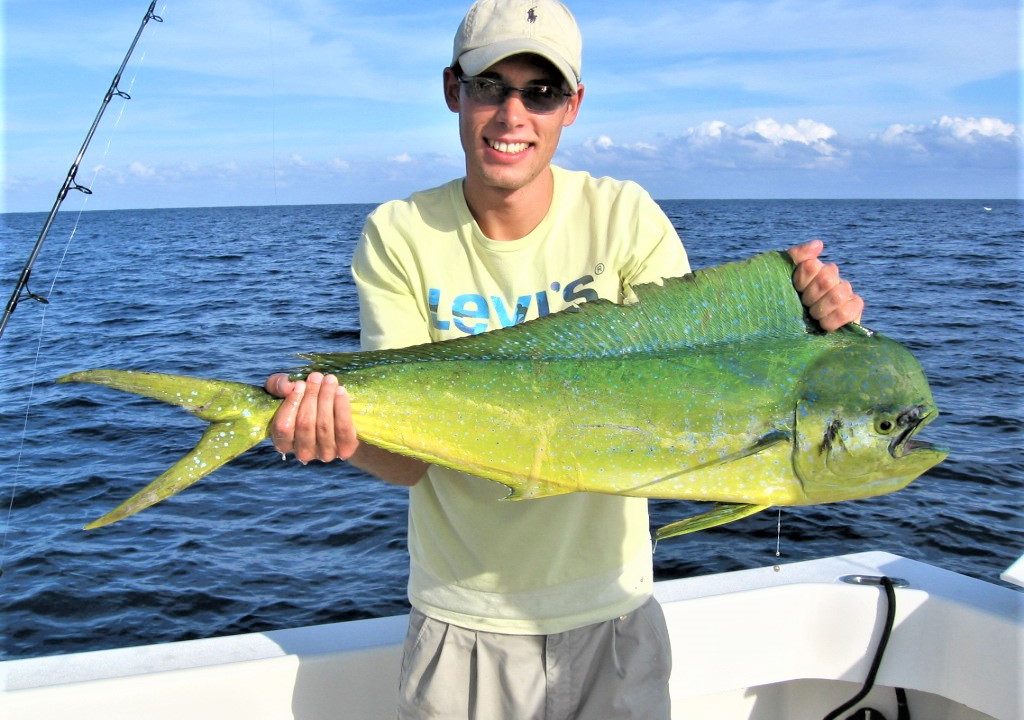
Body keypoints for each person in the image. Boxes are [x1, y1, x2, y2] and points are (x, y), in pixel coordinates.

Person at [265, 1, 864, 717]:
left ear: (572, 105)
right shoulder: (400, 233)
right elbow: (410, 463)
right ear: (454, 90)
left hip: (614, 616)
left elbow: (711, 383)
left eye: (540, 92)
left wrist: (820, 335)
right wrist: (341, 435)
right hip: (464, 624)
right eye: (491, 86)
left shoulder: (625, 215)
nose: (512, 114)